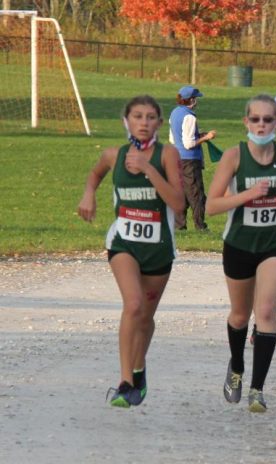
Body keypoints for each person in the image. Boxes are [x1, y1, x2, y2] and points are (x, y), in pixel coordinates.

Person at [78, 95, 185, 408]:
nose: (144, 122)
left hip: (159, 250)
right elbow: (95, 174)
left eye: (151, 117)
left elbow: (178, 203)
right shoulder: (113, 154)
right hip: (123, 243)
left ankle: (139, 368)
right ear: (127, 120)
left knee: (145, 317)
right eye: (137, 116)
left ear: (159, 123)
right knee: (134, 305)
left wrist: (148, 170)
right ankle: (125, 382)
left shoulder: (168, 154)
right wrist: (89, 195)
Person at [207, 94, 276, 413]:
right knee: (239, 315)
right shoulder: (233, 156)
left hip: (275, 242)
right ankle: (236, 368)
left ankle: (257, 389)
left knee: (267, 312)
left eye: (268, 119)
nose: (262, 125)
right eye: (255, 119)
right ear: (246, 122)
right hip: (239, 243)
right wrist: (247, 194)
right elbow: (211, 205)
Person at [169, 85, 216, 231]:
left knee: (182, 193)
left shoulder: (175, 113)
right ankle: (200, 226)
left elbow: (173, 139)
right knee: (197, 194)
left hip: (178, 159)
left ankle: (179, 226)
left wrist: (199, 135)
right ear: (191, 100)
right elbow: (189, 144)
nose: (197, 102)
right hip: (190, 161)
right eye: (196, 99)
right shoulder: (189, 116)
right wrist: (207, 137)